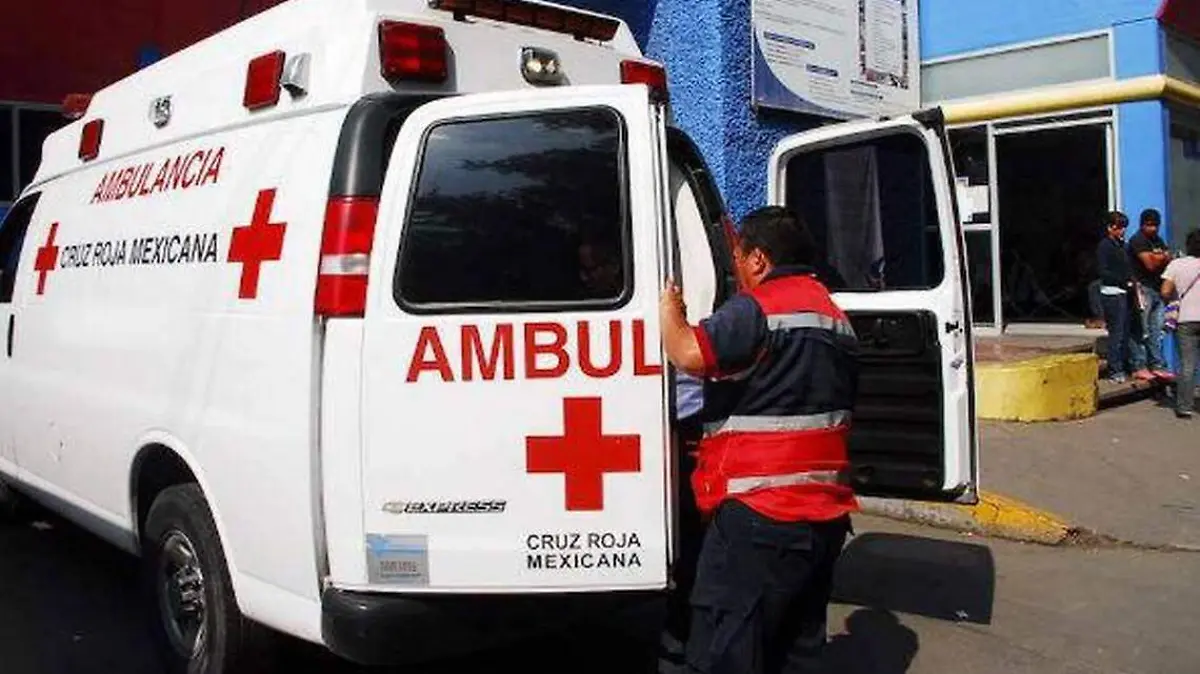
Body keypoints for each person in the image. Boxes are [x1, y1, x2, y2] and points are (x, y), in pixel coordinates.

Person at [659, 206, 859, 674]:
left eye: (737, 259)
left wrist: (669, 308)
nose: (737, 273)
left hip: (760, 515)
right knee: (795, 650)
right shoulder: (834, 315)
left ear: (758, 259)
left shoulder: (761, 308)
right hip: (824, 517)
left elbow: (688, 353)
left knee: (726, 649)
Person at [1127, 208, 1175, 381]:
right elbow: (1150, 264)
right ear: (1142, 225)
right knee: (1141, 328)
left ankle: (1157, 365)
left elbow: (1170, 259)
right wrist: (1162, 257)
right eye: (1149, 225)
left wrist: (1159, 257)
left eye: (1155, 225)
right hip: (1142, 288)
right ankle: (1138, 365)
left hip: (1156, 288)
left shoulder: (1157, 240)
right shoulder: (1138, 240)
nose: (1153, 228)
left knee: (1157, 329)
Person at [1162, 229, 1200, 419]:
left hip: (1185, 319)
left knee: (1187, 364)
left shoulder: (1176, 264)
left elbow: (1165, 291)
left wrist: (1174, 300)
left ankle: (1185, 406)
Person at [1096, 211, 1134, 383]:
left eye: (1123, 227)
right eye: (1118, 227)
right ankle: (1114, 369)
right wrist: (1123, 281)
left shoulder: (1122, 246)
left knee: (1124, 332)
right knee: (1116, 334)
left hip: (1124, 293)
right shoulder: (1105, 246)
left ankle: (1122, 366)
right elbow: (1103, 271)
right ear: (1110, 228)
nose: (1122, 231)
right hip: (1112, 293)